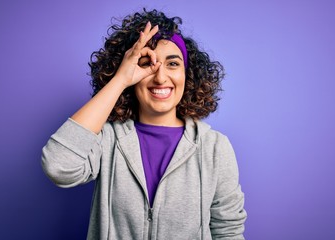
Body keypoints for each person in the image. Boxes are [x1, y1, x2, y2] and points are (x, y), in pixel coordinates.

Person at [42, 8, 247, 240]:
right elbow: (58, 166)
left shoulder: (214, 147)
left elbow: (228, 231)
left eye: (173, 64)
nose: (160, 77)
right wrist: (121, 79)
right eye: (147, 63)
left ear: (187, 75)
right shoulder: (107, 139)